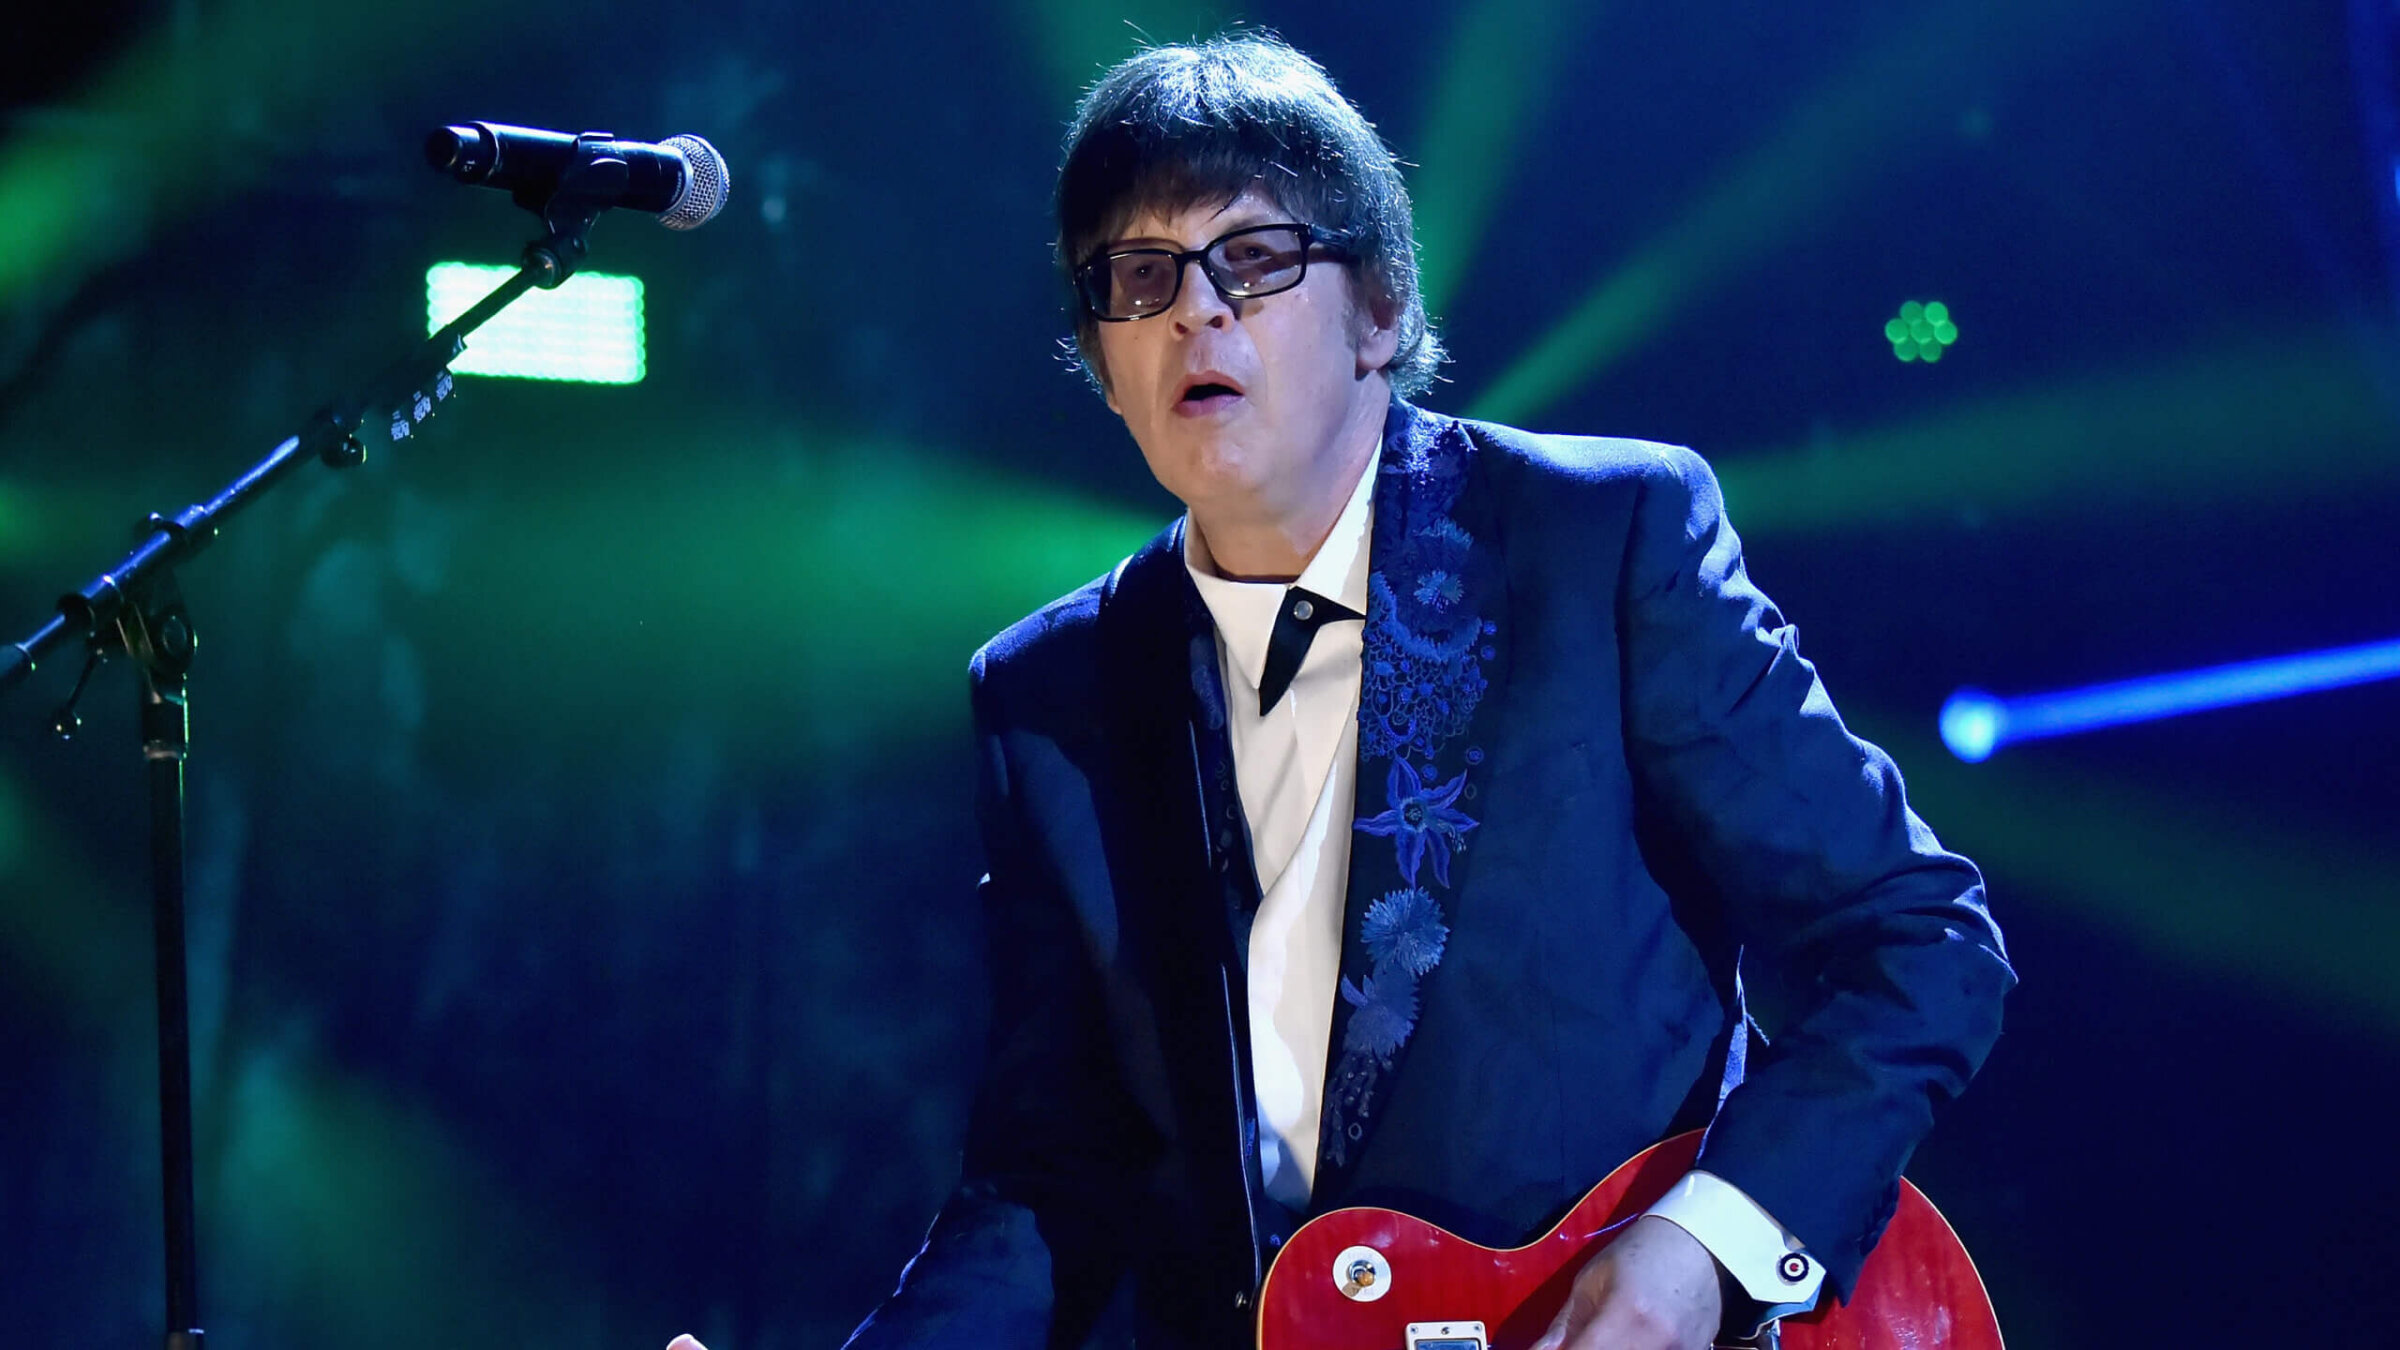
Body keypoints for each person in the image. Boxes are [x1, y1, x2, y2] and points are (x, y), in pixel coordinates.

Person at [677, 30, 2012, 1350]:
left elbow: (1922, 940)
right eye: (1140, 275)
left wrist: (1704, 1247)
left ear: (1381, 312)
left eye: (1252, 260)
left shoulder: (1596, 544)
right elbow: (1048, 1183)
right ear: (1104, 363)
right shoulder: (1053, 697)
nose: (1195, 309)